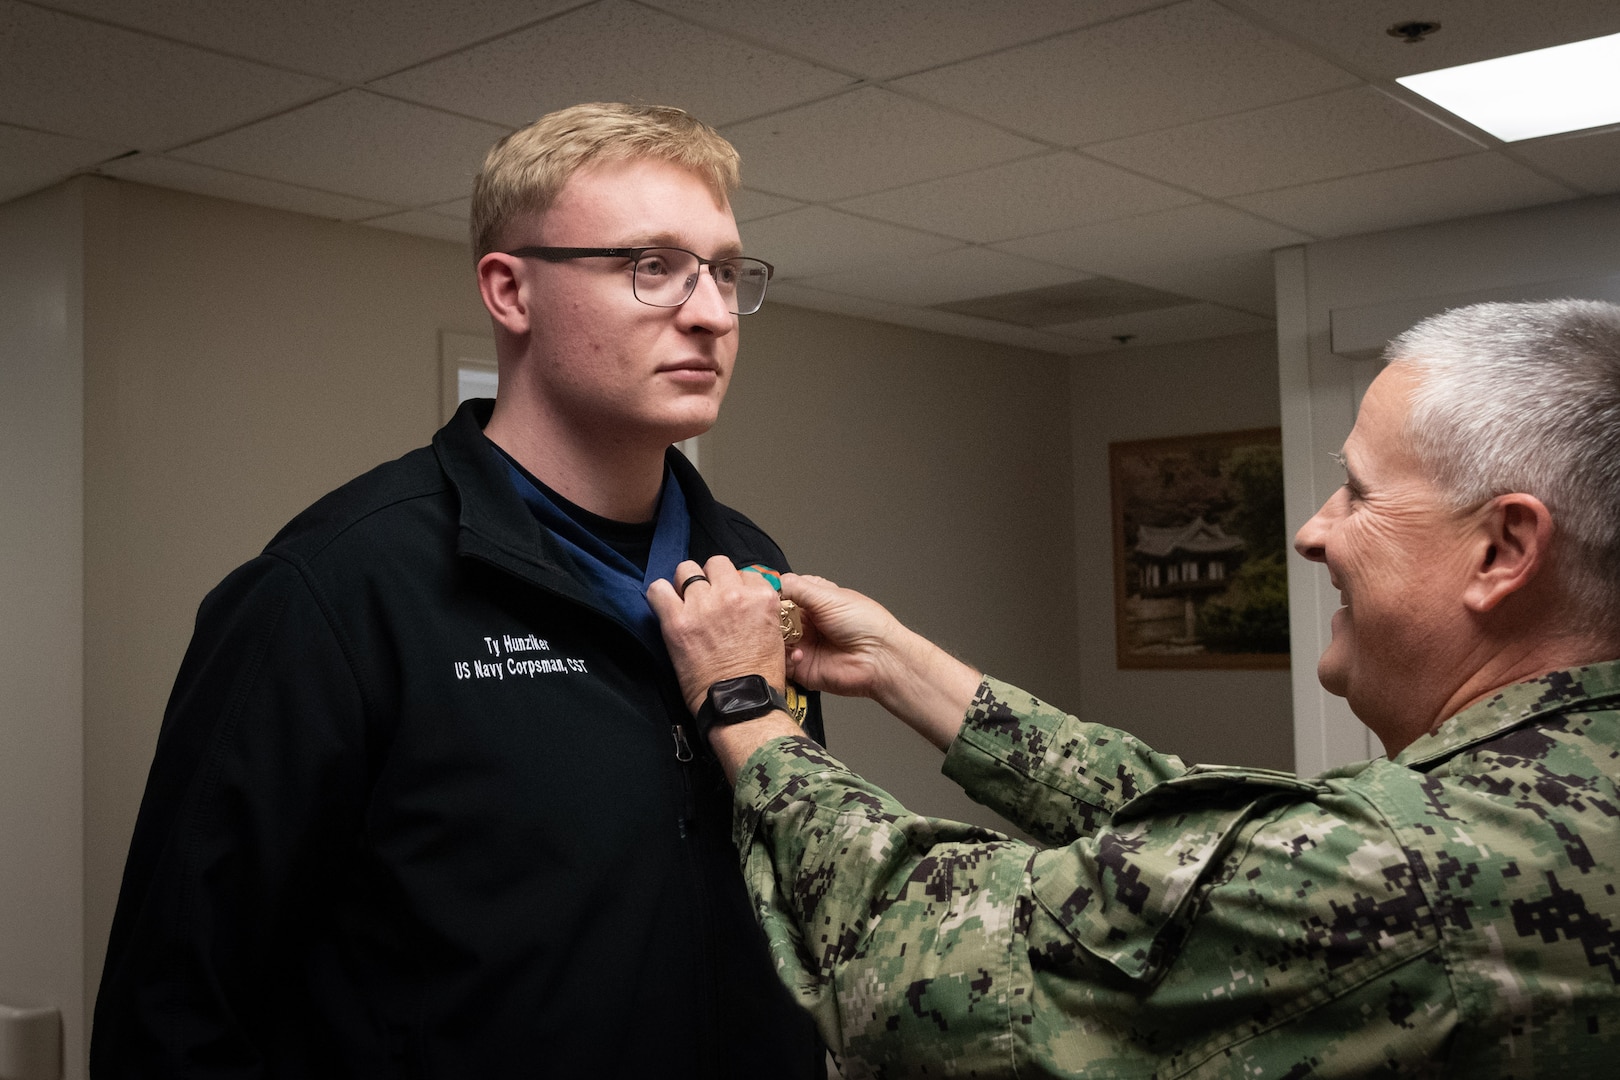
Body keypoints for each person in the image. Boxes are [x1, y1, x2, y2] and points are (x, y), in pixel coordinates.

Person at [649, 299, 1620, 1077]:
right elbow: (1205, 832)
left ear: (1503, 547)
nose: (1314, 531)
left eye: (1360, 493)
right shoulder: (1563, 786)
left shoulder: (1419, 869)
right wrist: (904, 667)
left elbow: (915, 950)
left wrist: (742, 704)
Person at [91, 103, 824, 1078]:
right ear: (509, 290)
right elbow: (174, 1020)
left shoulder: (752, 573)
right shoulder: (334, 592)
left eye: (725, 270)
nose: (710, 311)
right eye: (652, 266)